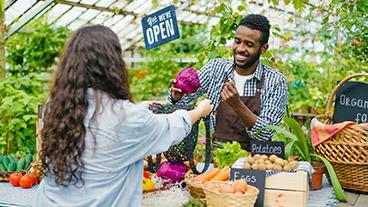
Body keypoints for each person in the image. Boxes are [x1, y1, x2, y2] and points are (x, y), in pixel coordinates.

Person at [35, 25, 213, 207]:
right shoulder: (126, 117)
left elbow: (99, 124)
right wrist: (199, 111)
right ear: (113, 64)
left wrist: (136, 108)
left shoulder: (55, 107)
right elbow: (171, 126)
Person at [168, 14, 288, 150]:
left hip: (254, 162)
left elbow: (265, 133)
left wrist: (237, 105)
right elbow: (182, 102)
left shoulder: (275, 81)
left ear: (263, 48)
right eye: (237, 41)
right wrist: (177, 96)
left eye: (249, 44)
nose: (240, 49)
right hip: (218, 158)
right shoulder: (215, 69)